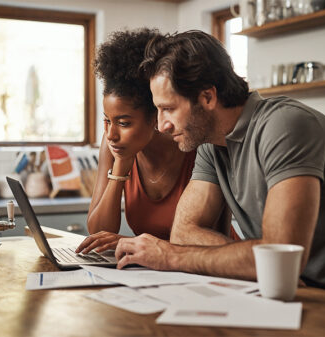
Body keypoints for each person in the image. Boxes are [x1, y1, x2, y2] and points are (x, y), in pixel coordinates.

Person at [114, 30, 325, 303]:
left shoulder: (285, 126)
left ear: (207, 97)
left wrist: (170, 256)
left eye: (168, 108)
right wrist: (256, 263)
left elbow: (280, 256)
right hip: (286, 291)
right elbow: (184, 232)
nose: (162, 125)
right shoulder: (211, 145)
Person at [76, 28, 229, 255]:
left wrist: (132, 243)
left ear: (155, 116)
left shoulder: (195, 146)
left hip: (208, 268)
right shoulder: (114, 147)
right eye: (107, 121)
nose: (111, 134)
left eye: (124, 123)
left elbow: (210, 238)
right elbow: (97, 233)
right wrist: (120, 168)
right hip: (153, 271)